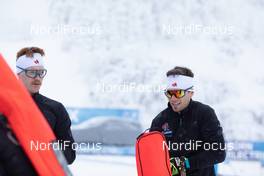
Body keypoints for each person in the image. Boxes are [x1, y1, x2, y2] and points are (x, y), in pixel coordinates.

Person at [150, 66, 226, 176]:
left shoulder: (205, 114)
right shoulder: (160, 120)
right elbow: (153, 156)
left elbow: (218, 153)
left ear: (191, 93)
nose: (173, 98)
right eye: (169, 93)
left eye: (178, 93)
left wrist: (184, 164)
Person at [16, 47, 76, 164]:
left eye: (41, 72)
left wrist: (41, 146)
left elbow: (69, 154)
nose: (37, 78)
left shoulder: (55, 109)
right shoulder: (4, 107)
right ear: (19, 74)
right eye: (32, 72)